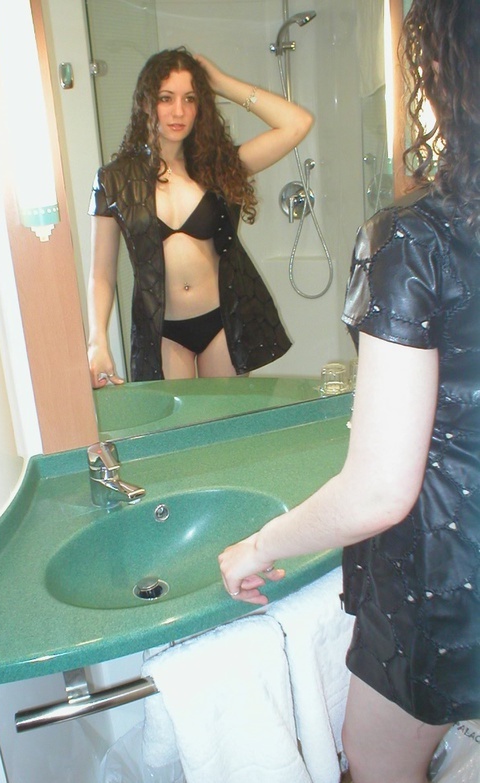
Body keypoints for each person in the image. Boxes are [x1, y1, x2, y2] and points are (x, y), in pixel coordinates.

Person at [218, 2, 480, 782]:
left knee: (375, 760)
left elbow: (378, 490)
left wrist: (257, 545)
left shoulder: (417, 237)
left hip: (449, 583)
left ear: (441, 67)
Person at [87, 47, 313, 388]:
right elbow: (101, 275)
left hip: (222, 323)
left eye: (190, 99)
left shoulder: (219, 168)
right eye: (166, 98)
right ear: (146, 102)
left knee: (229, 419)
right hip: (164, 330)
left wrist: (221, 83)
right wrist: (97, 342)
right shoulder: (114, 179)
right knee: (178, 420)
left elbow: (297, 124)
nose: (179, 111)